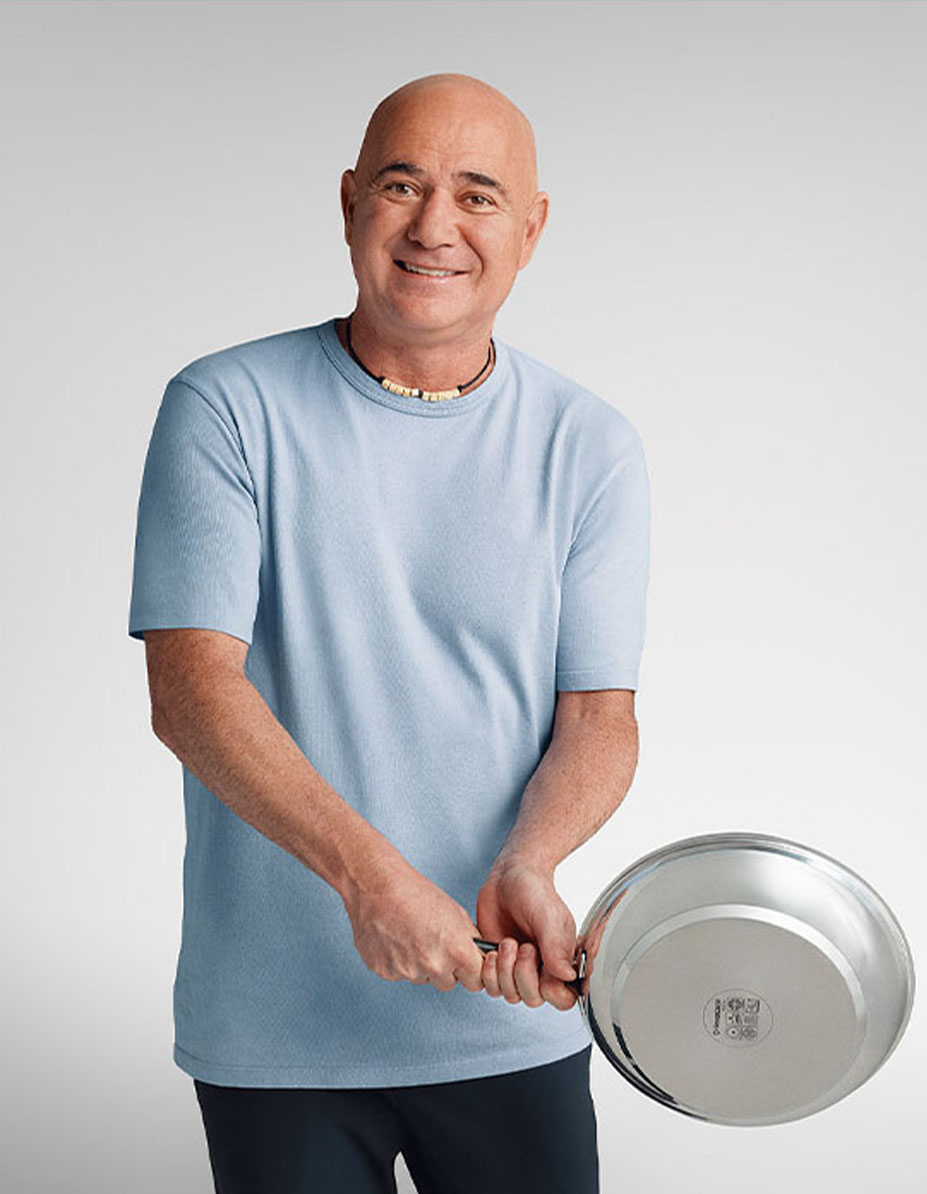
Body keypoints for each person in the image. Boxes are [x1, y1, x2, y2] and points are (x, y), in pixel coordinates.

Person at [128, 72, 650, 1194]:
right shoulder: (225, 407)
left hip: (503, 1009)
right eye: (403, 186)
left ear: (530, 230)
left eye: (477, 196)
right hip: (279, 1028)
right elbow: (192, 690)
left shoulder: (591, 444)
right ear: (351, 202)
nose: (434, 227)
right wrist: (371, 882)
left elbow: (600, 718)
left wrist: (530, 858)